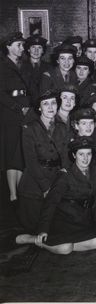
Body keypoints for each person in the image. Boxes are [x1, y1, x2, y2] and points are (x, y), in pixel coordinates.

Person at [15, 136, 96, 254]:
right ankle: (35, 240)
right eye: (81, 154)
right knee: (65, 249)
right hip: (63, 221)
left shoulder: (95, 172)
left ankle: (67, 245)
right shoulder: (65, 176)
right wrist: (43, 229)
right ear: (74, 155)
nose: (85, 158)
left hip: (81, 221)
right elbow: (51, 203)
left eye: (89, 154)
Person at [18, 90, 70, 232]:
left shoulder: (62, 128)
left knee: (58, 228)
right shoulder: (29, 129)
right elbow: (31, 162)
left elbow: (65, 156)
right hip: (34, 185)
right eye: (45, 104)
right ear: (39, 107)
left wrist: (64, 178)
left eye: (53, 103)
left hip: (56, 179)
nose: (50, 107)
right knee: (36, 228)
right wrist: (46, 187)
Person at [0, 32, 33, 203]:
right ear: (8, 46)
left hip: (25, 112)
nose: (22, 48)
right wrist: (18, 107)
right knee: (11, 153)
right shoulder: (3, 66)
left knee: (21, 152)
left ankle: (19, 191)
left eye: (22, 45)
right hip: (11, 115)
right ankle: (13, 194)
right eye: (18, 45)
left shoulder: (24, 65)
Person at [21, 34, 51, 103]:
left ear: (43, 50)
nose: (36, 51)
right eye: (33, 47)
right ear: (28, 49)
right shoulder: (21, 66)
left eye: (39, 48)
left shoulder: (49, 67)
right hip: (26, 104)